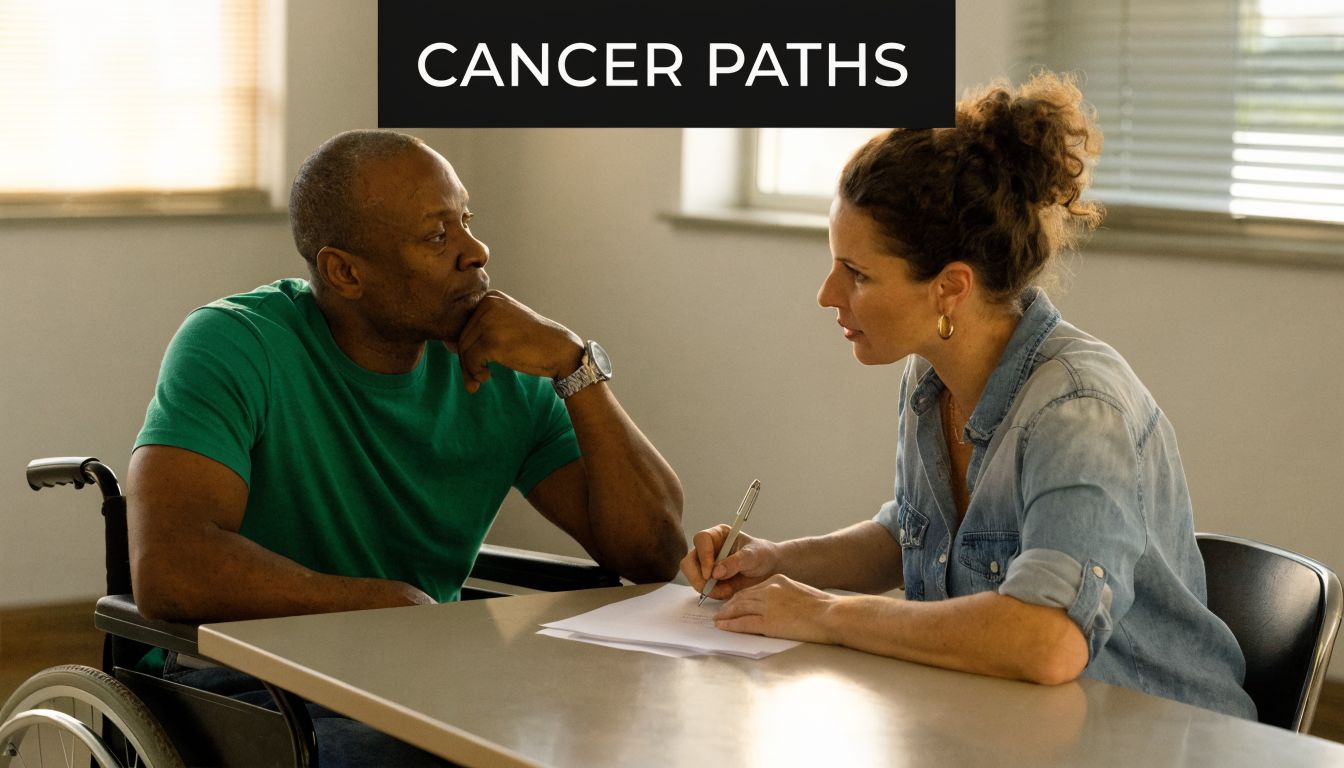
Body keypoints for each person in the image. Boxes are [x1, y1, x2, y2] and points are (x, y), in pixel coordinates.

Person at [681, 72, 1257, 719]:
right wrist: (777, 563)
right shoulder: (931, 378)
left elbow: (1045, 643)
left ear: (950, 288)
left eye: (858, 274)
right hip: (1010, 729)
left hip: (1155, 742)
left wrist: (828, 613)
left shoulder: (1078, 412)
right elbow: (918, 532)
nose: (827, 295)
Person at [127, 129, 686, 766]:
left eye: (467, 222)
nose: (476, 252)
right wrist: (384, 604)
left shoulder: (504, 365)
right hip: (244, 681)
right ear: (344, 271)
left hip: (419, 678)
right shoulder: (235, 344)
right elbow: (171, 566)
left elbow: (654, 551)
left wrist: (574, 367)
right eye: (437, 235)